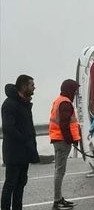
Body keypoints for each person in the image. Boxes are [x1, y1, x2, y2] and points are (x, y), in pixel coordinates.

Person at [1, 76, 39, 210]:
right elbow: (8, 127)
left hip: (24, 151)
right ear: (23, 86)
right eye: (32, 85)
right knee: (10, 184)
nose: (34, 87)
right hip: (14, 152)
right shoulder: (10, 104)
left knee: (21, 183)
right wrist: (24, 139)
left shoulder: (24, 103)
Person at [49, 80, 82, 209]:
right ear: (70, 90)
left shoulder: (59, 100)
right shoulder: (65, 103)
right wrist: (71, 140)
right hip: (62, 140)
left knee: (59, 170)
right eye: (74, 90)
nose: (75, 93)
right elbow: (64, 124)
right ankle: (57, 201)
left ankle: (59, 199)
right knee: (60, 171)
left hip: (58, 139)